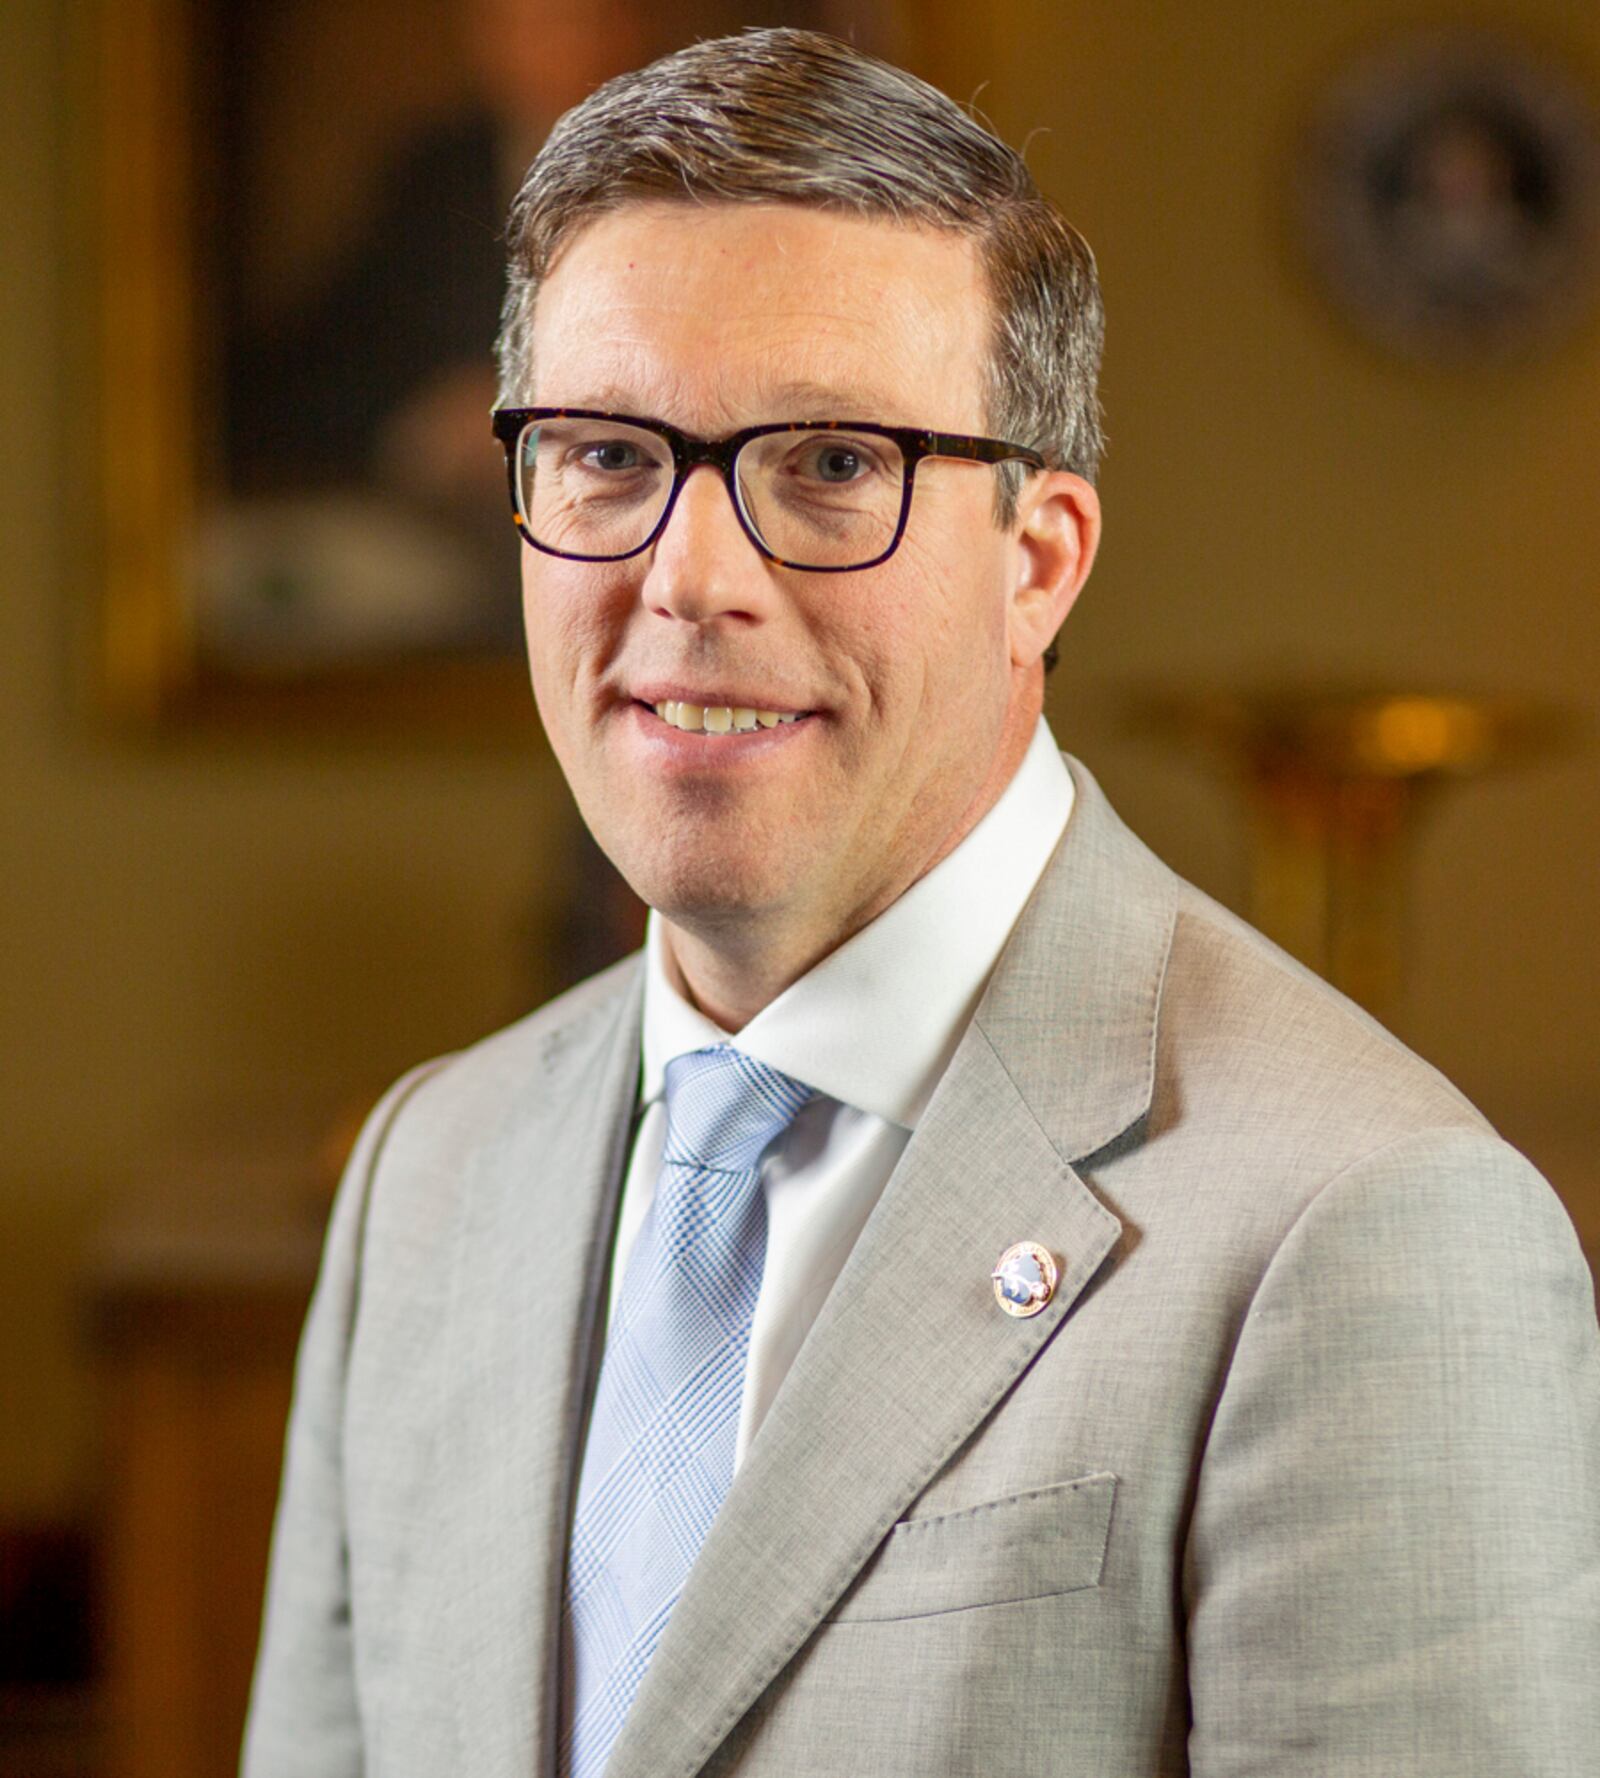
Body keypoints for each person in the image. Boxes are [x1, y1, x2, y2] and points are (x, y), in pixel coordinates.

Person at [242, 29, 1600, 1778]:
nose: (689, 578)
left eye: (827, 465)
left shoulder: (1367, 1227)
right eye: (605, 457)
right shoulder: (426, 1177)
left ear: (1038, 562)